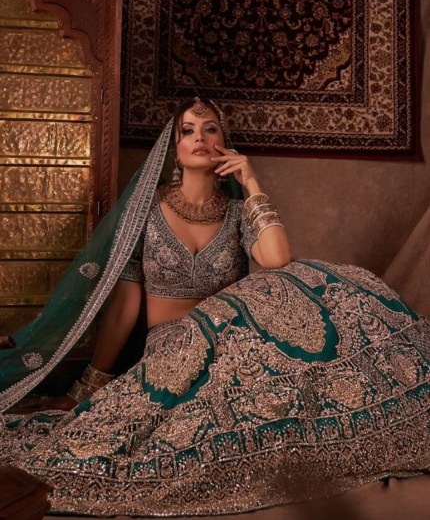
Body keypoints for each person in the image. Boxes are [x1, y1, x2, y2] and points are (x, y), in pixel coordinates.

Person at [1, 97, 430, 517]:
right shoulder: (145, 212)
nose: (200, 138)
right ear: (174, 148)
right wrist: (91, 384)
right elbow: (124, 307)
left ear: (225, 143)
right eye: (187, 131)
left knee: (299, 278)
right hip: (173, 350)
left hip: (233, 344)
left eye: (211, 129)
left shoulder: (240, 213)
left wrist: (252, 182)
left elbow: (278, 258)